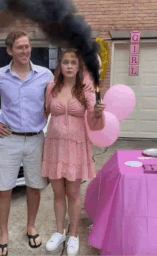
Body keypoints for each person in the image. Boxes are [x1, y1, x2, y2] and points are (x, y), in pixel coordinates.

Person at [0, 30, 54, 256]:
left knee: (34, 188)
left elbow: (54, 101)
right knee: (3, 189)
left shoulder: (45, 75)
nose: (25, 50)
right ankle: (3, 234)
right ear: (10, 50)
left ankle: (30, 227)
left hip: (35, 139)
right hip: (9, 139)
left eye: (27, 46)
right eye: (20, 47)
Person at [42, 48, 106, 256]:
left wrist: (98, 113)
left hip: (76, 147)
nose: (69, 65)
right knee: (58, 194)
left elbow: (95, 125)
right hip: (55, 146)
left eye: (73, 63)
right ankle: (59, 231)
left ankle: (73, 235)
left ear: (78, 68)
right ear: (60, 66)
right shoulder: (51, 87)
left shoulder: (85, 88)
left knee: (73, 194)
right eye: (65, 62)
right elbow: (43, 114)